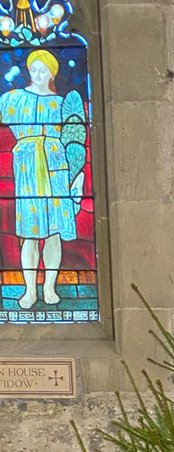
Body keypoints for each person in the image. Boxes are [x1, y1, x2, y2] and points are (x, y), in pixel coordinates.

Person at [0, 50, 84, 309]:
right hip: (27, 168)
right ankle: (29, 290)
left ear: (52, 73)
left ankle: (49, 287)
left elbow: (75, 138)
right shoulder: (12, 100)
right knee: (30, 233)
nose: (38, 75)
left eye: (43, 70)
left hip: (57, 166)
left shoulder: (62, 103)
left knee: (53, 233)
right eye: (33, 69)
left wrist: (77, 175)